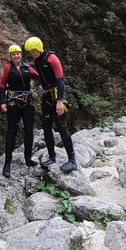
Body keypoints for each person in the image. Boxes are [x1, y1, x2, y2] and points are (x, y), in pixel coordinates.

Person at [24, 36, 77, 173]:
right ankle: (52, 157)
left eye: (33, 51)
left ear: (39, 48)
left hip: (58, 95)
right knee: (46, 126)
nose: (32, 54)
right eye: (30, 52)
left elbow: (60, 80)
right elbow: (41, 76)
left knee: (61, 125)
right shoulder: (37, 60)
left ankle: (72, 160)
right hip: (47, 95)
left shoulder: (52, 58)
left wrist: (60, 101)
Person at [0, 44, 39, 177]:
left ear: (21, 55)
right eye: (14, 54)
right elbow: (2, 85)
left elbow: (38, 76)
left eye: (18, 53)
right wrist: (2, 102)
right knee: (11, 131)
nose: (16, 56)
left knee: (29, 130)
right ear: (10, 56)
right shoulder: (7, 68)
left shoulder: (27, 67)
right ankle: (7, 163)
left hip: (27, 102)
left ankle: (28, 158)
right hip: (13, 102)